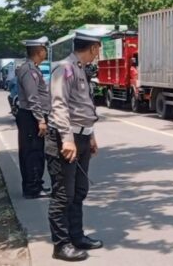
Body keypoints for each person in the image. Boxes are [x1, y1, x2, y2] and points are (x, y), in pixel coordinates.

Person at [45, 31, 103, 262]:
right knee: (63, 194)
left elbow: (83, 108)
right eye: (98, 48)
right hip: (64, 138)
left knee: (79, 192)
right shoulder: (65, 68)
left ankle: (76, 237)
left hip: (81, 137)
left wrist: (90, 136)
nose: (98, 53)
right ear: (91, 48)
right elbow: (59, 105)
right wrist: (67, 138)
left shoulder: (80, 69)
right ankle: (61, 245)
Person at [16, 36, 51, 199]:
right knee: (32, 153)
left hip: (32, 116)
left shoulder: (33, 68)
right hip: (31, 117)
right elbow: (32, 97)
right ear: (39, 51)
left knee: (36, 152)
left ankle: (35, 184)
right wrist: (40, 119)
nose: (46, 52)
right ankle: (32, 188)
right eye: (45, 49)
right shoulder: (29, 70)